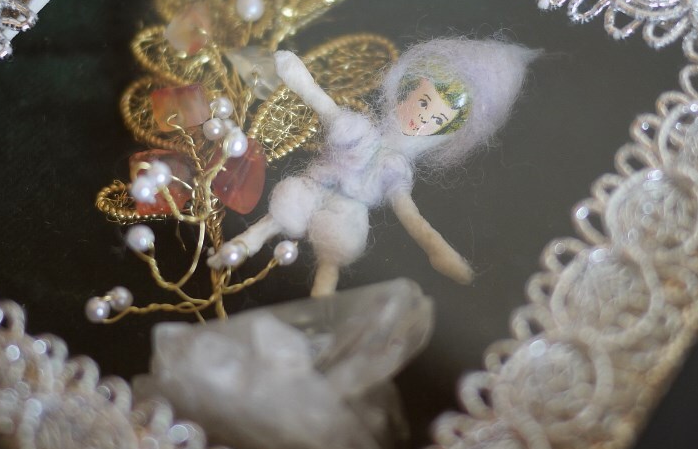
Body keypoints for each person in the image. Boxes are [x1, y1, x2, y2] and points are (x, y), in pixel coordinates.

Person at [208, 37, 537, 295]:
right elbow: (321, 102)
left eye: (437, 120)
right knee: (283, 212)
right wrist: (297, 77)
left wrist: (436, 249)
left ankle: (321, 304)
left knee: (333, 255)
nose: (423, 118)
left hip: (349, 211)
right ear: (406, 89)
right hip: (315, 183)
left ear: (443, 134)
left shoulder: (395, 168)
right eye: (423, 102)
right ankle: (241, 245)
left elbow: (411, 216)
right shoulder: (359, 130)